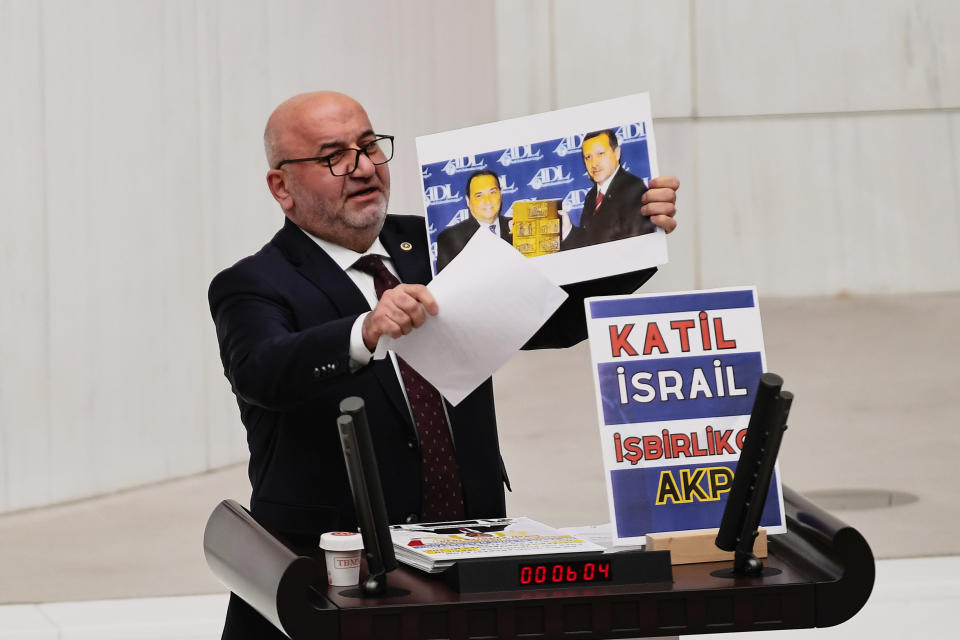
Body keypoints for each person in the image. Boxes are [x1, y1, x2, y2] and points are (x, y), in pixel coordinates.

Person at [208, 91, 678, 639]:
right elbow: (261, 371)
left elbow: (557, 317)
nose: (362, 167)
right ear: (281, 187)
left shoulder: (439, 244)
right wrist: (365, 329)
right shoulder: (253, 283)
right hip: (334, 578)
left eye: (369, 146)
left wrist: (638, 233)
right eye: (333, 156)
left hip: (469, 555)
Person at [562, 128, 662, 249]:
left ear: (617, 153)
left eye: (600, 154)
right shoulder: (592, 195)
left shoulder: (634, 190)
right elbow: (587, 241)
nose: (594, 163)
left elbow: (639, 251)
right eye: (588, 157)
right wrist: (567, 228)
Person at [434, 169, 511, 272]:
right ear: (468, 201)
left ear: (500, 194)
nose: (487, 201)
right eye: (479, 195)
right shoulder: (449, 238)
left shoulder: (518, 225)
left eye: (492, 192)